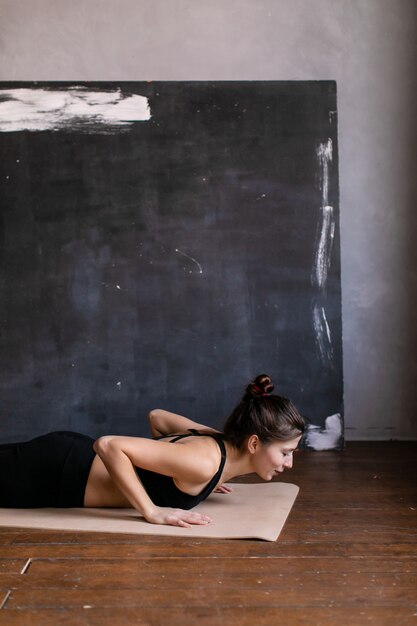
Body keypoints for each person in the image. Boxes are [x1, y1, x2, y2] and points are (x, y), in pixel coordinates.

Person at [0, 374, 305, 527]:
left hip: (66, 457)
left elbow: (157, 416)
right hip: (56, 473)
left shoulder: (214, 450)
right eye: (286, 452)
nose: (288, 463)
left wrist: (194, 471)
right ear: (253, 443)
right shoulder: (203, 462)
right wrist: (152, 511)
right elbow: (109, 445)